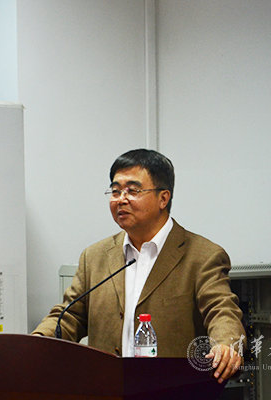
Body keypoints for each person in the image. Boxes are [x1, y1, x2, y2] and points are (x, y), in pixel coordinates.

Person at [32, 149, 245, 383]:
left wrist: (226, 344)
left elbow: (222, 310)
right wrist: (36, 342)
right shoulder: (94, 256)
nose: (121, 199)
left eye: (133, 191)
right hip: (107, 388)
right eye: (115, 191)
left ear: (163, 198)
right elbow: (69, 316)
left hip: (171, 389)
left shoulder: (202, 256)